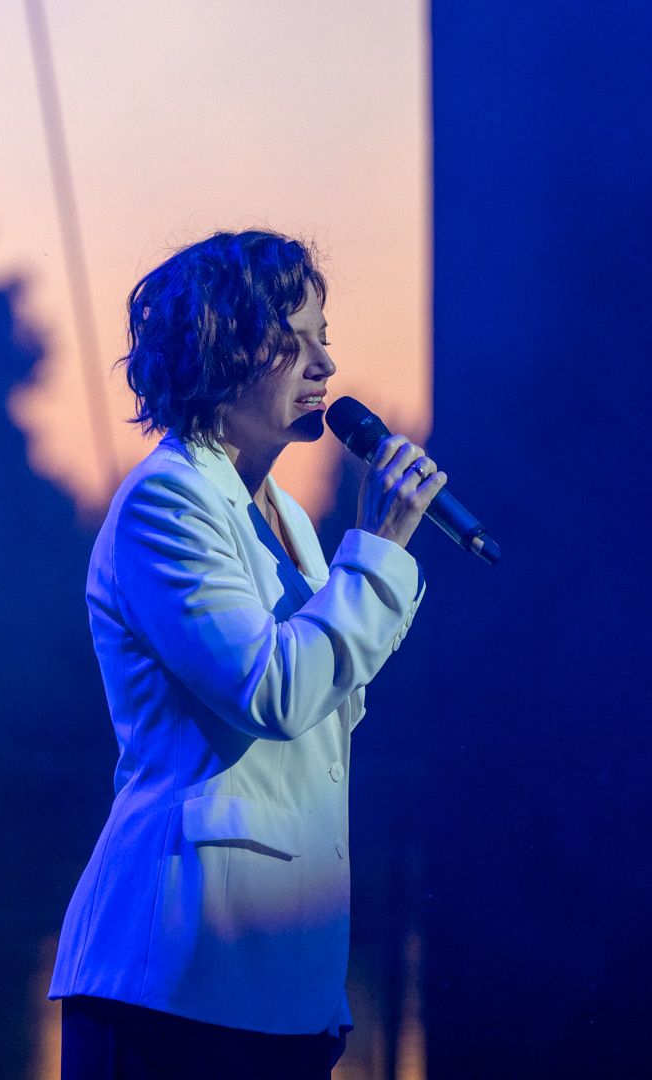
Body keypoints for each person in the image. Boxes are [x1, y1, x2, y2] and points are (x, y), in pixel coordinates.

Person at [48, 230, 445, 1080]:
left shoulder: (285, 519)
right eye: (291, 342)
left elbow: (329, 708)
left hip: (278, 979)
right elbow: (273, 691)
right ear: (218, 353)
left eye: (322, 338)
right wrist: (377, 551)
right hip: (176, 979)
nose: (323, 366)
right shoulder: (165, 502)